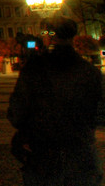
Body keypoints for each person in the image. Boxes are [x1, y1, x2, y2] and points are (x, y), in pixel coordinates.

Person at [7, 16, 103, 186]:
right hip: (81, 154)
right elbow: (102, 113)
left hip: (44, 155)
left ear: (49, 36)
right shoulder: (90, 72)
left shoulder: (34, 69)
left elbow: (17, 112)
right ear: (73, 37)